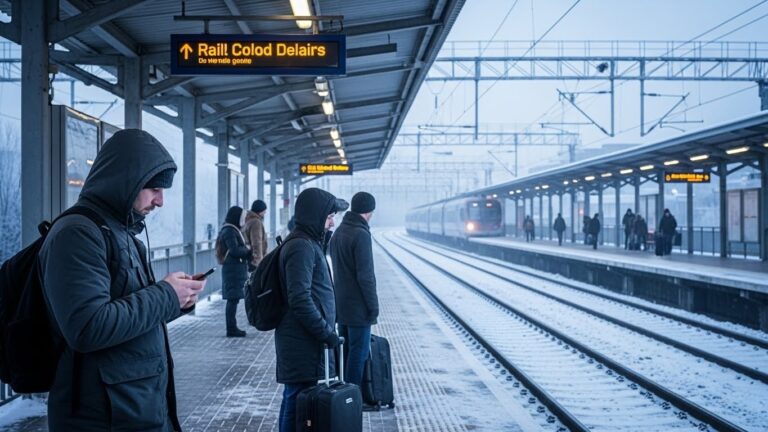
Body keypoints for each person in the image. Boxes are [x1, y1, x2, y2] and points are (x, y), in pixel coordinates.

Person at [39, 129, 205, 431]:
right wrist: (166, 295)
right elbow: (88, 327)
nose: (160, 201)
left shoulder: (121, 233)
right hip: (101, 416)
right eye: (154, 189)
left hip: (132, 407)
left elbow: (131, 311)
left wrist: (177, 298)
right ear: (126, 181)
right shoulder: (78, 234)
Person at [275, 188, 349, 432]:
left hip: (304, 339)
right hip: (301, 340)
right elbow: (300, 298)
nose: (332, 222)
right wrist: (325, 333)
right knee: (296, 399)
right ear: (315, 215)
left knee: (296, 398)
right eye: (329, 216)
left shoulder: (307, 243)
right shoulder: (301, 247)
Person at [329, 192, 379, 404]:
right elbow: (365, 276)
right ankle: (351, 399)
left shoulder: (339, 231)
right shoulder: (361, 234)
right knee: (358, 352)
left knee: (346, 350)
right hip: (358, 307)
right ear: (369, 212)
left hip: (341, 304)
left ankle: (343, 396)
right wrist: (373, 306)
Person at [217, 206, 252, 337]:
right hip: (233, 270)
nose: (243, 220)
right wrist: (248, 249)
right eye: (242, 217)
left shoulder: (230, 229)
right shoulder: (230, 231)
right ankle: (231, 328)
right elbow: (235, 250)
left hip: (233, 269)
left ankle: (232, 327)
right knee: (232, 300)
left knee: (234, 299)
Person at [243, 199, 268, 270]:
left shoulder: (248, 220)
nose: (265, 213)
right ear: (260, 211)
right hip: (255, 262)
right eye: (264, 211)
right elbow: (257, 242)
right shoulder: (256, 222)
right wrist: (258, 262)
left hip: (250, 258)